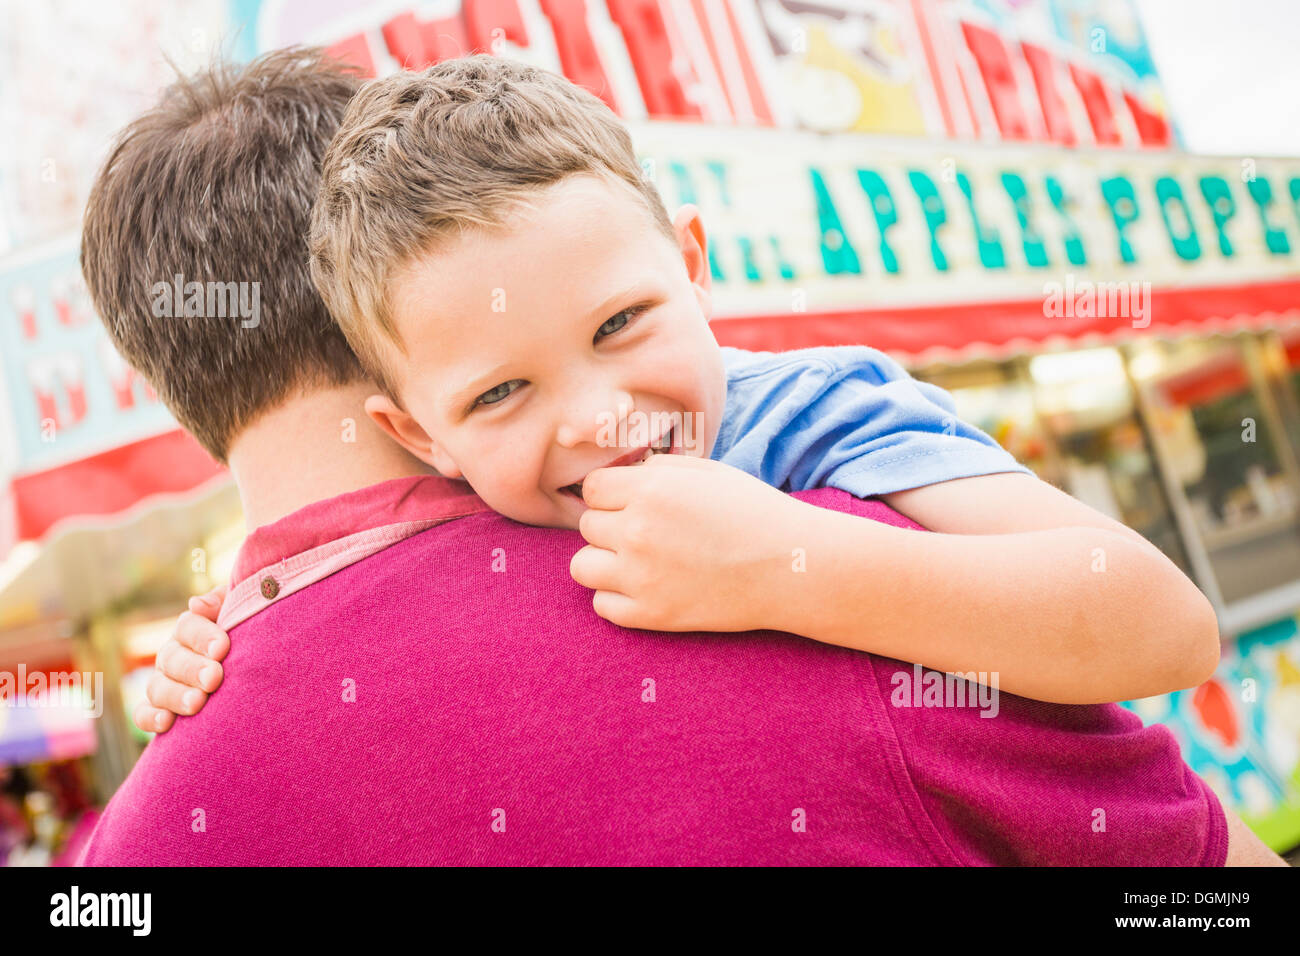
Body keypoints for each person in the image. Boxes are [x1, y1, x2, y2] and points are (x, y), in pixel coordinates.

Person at [75, 47, 1282, 865]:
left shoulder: (807, 426)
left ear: (687, 259)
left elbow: (1162, 626)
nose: (601, 417)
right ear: (410, 419)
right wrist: (216, 622)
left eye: (619, 324)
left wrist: (788, 561)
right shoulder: (245, 632)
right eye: (502, 388)